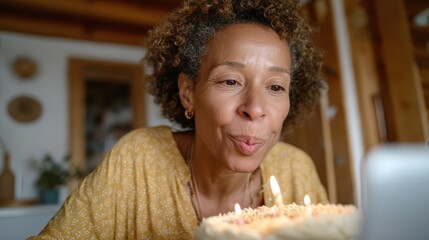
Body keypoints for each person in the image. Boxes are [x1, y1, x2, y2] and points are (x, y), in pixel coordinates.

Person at [28, 0, 328, 239]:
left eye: (275, 87)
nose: (255, 108)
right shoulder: (138, 160)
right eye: (230, 81)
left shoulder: (296, 169)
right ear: (188, 93)